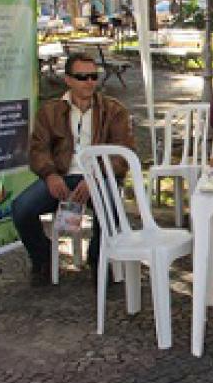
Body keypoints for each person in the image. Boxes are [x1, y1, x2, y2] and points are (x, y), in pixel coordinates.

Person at [12, 52, 135, 286]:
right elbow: (38, 149)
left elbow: (123, 153)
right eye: (82, 77)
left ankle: (98, 259)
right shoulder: (50, 111)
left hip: (99, 176)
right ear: (68, 79)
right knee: (21, 208)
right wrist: (50, 175)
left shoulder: (113, 110)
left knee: (111, 206)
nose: (89, 82)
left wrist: (95, 177)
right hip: (62, 175)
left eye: (93, 76)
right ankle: (43, 257)